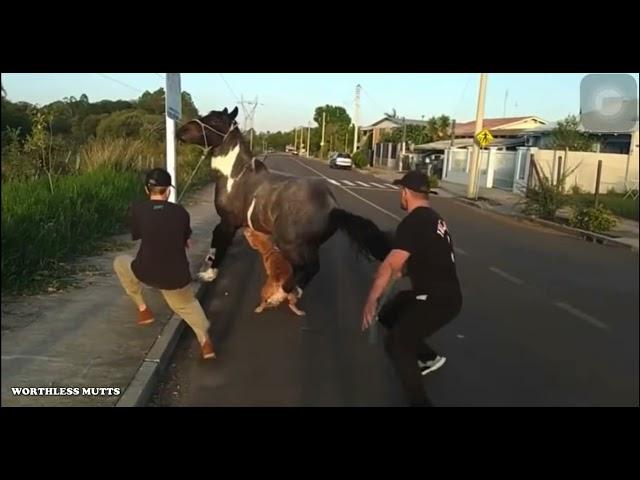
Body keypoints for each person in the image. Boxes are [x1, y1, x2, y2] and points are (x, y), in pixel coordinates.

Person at [361, 170, 462, 406]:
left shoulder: (413, 222)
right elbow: (421, 257)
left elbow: (389, 265)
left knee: (397, 343)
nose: (400, 195)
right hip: (440, 294)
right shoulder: (434, 218)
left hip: (437, 299)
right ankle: (428, 358)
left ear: (405, 193)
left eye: (401, 191)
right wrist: (401, 272)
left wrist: (371, 300)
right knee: (389, 313)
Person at [113, 168, 215, 360]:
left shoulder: (138, 209)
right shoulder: (182, 213)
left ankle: (143, 310)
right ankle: (205, 342)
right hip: (175, 278)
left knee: (120, 262)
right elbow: (187, 240)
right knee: (188, 306)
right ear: (168, 191)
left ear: (147, 190)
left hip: (145, 271)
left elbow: (138, 235)